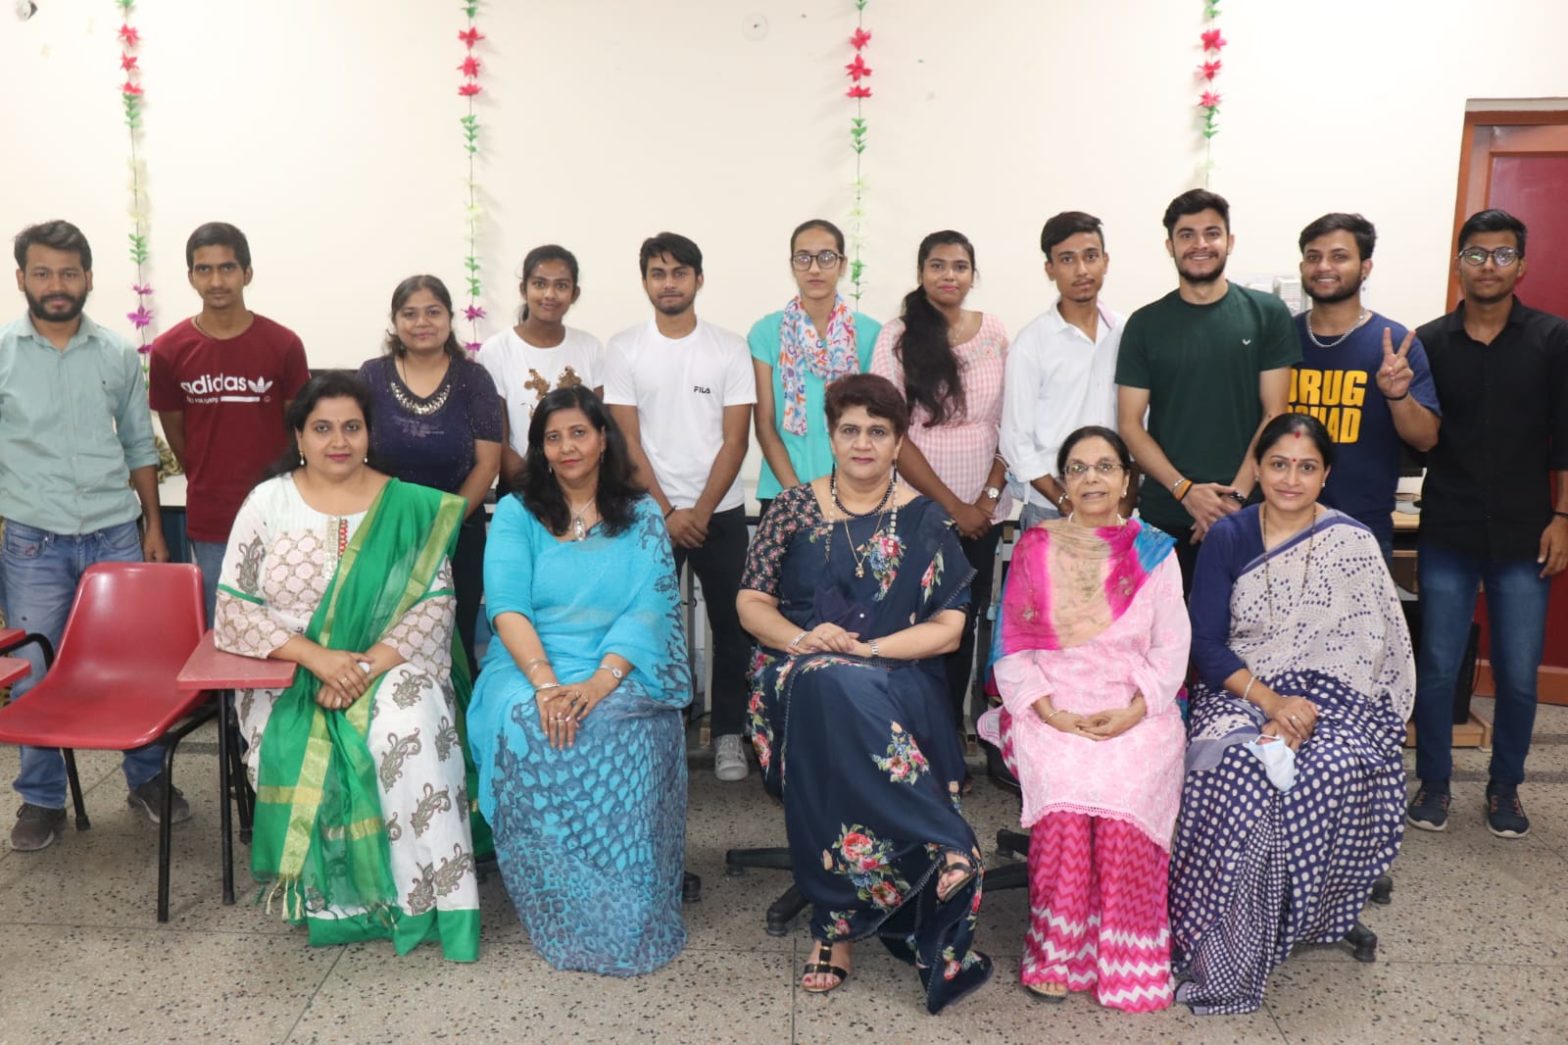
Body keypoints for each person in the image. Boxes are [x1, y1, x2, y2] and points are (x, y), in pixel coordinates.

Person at [737, 372, 991, 1014]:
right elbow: (751, 603)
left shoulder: (928, 520)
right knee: (821, 683)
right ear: (830, 437)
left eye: (878, 432)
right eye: (849, 430)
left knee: (834, 687)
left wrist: (867, 651)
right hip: (794, 667)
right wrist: (804, 641)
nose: (862, 443)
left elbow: (948, 630)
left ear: (899, 441)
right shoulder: (791, 508)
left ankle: (835, 927)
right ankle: (946, 839)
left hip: (895, 674)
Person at [213, 371, 480, 960]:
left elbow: (436, 604)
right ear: (299, 436)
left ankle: (429, 900)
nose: (339, 441)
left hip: (391, 662)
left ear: (369, 434)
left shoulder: (408, 505)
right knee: (311, 749)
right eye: (323, 428)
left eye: (352, 428)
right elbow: (234, 610)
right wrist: (319, 659)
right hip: (293, 672)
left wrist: (360, 669)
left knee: (407, 731)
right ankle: (350, 907)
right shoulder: (268, 503)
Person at [1169, 412, 1414, 1015]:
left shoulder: (1352, 543)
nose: (1290, 479)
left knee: (1328, 766)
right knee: (1240, 767)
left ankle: (1301, 912)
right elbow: (1206, 645)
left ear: (1326, 475)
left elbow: (1371, 652)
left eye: (1307, 467)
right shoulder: (1228, 536)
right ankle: (1220, 937)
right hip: (1238, 689)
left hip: (1337, 700)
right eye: (1278, 464)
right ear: (1257, 468)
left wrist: (1305, 713)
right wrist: (1271, 703)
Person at [466, 385, 691, 975]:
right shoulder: (517, 511)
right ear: (539, 449)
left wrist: (601, 681)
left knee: (616, 721)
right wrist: (544, 684)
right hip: (528, 662)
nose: (566, 447)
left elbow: (651, 608)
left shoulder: (641, 513)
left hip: (620, 661)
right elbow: (507, 607)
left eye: (578, 433)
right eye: (552, 437)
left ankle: (631, 902)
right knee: (528, 721)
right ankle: (558, 901)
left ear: (602, 440)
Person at [978, 425, 1188, 1011]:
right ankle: (1058, 951)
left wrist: (1134, 710)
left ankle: (1126, 956)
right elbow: (1013, 650)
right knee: (1068, 803)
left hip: (1136, 705)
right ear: (1063, 485)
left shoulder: (1154, 552)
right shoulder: (1037, 548)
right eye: (1077, 469)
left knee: (1129, 794)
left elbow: (1172, 647)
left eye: (1104, 467)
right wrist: (1049, 711)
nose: (1091, 478)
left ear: (1126, 479)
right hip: (1050, 704)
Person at [2, 220, 180, 853]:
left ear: (89, 278)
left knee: (137, 667)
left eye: (69, 273)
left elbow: (138, 444)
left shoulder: (115, 353)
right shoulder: (3, 353)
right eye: (43, 273)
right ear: (21, 278)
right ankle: (41, 799)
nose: (57, 285)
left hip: (114, 536)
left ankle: (148, 779)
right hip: (34, 542)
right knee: (34, 673)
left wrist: (153, 524)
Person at [1406, 209, 1568, 840]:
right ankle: (1435, 782)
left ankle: (1506, 786)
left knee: (1519, 673)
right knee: (1438, 667)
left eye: (1502, 255)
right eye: (1476, 254)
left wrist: (1563, 515)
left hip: (1526, 532)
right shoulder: (1428, 341)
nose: (1488, 266)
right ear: (1460, 265)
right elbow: (1420, 436)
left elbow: (1565, 439)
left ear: (1520, 266)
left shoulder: (1552, 339)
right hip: (1449, 527)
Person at [604, 232, 755, 783]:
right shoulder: (624, 348)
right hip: (648, 514)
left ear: (698, 279)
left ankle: (729, 733)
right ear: (645, 281)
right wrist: (667, 512)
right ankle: (659, 731)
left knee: (733, 627)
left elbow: (735, 441)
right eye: (658, 273)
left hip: (722, 510)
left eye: (679, 273)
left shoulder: (729, 347)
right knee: (647, 625)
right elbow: (626, 441)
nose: (669, 283)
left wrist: (701, 510)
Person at [1116, 189, 1299, 590]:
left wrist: (1233, 500)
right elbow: (1129, 423)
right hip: (1165, 514)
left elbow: (1275, 414)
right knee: (1165, 628)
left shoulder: (1267, 314)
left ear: (1229, 241)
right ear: (1170, 246)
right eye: (1187, 234)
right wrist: (1185, 491)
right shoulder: (1144, 324)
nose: (1200, 244)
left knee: (1247, 627)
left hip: (1249, 512)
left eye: (1212, 233)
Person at [871, 230, 1010, 740]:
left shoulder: (994, 331)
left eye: (959, 266)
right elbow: (892, 431)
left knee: (963, 621)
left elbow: (1010, 421)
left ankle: (948, 733)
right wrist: (953, 507)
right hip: (915, 507)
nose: (948, 275)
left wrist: (987, 500)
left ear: (973, 275)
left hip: (984, 513)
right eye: (937, 265)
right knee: (910, 620)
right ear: (920, 272)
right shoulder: (897, 336)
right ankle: (904, 734)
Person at [150, 221, 311, 621]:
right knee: (223, 630)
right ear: (191, 277)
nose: (216, 281)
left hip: (282, 515)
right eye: (204, 269)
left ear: (247, 273)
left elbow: (299, 433)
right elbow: (178, 435)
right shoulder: (169, 350)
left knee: (290, 625)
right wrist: (208, 475)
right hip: (213, 518)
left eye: (227, 268)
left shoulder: (284, 345)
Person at [357, 275, 501, 676]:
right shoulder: (371, 376)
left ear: (450, 318)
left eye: (433, 312)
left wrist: (444, 525)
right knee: (384, 638)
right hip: (386, 531)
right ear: (395, 321)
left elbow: (488, 463)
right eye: (410, 314)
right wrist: (396, 520)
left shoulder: (474, 379)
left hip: (458, 533)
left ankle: (458, 715)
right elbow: (352, 451)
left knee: (454, 640)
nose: (422, 322)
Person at [1288, 212, 1440, 561]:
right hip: (1282, 529)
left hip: (1362, 531)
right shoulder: (1281, 338)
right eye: (1313, 256)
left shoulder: (1395, 343)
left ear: (1365, 267)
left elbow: (1426, 439)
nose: (1324, 266)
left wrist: (1398, 395)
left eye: (1339, 256)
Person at [1001, 212, 1132, 531]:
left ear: (1106, 261)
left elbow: (1140, 423)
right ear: (1050, 268)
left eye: (1091, 256)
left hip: (1116, 507)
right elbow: (1015, 439)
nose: (1082, 270)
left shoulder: (1126, 332)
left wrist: (1126, 499)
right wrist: (1065, 501)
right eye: (1067, 259)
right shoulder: (1031, 343)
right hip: (1051, 510)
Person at [748, 219, 881, 519]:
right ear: (792, 265)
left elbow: (876, 424)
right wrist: (798, 498)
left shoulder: (871, 333)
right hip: (784, 493)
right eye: (803, 258)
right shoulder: (766, 332)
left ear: (842, 265)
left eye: (826, 257)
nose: (815, 268)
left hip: (854, 494)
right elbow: (765, 424)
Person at [476, 244, 603, 490]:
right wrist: (542, 490)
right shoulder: (496, 350)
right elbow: (497, 441)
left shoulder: (590, 347)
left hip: (584, 491)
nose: (550, 294)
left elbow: (600, 428)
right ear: (523, 289)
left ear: (575, 294)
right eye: (540, 284)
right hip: (522, 490)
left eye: (561, 286)